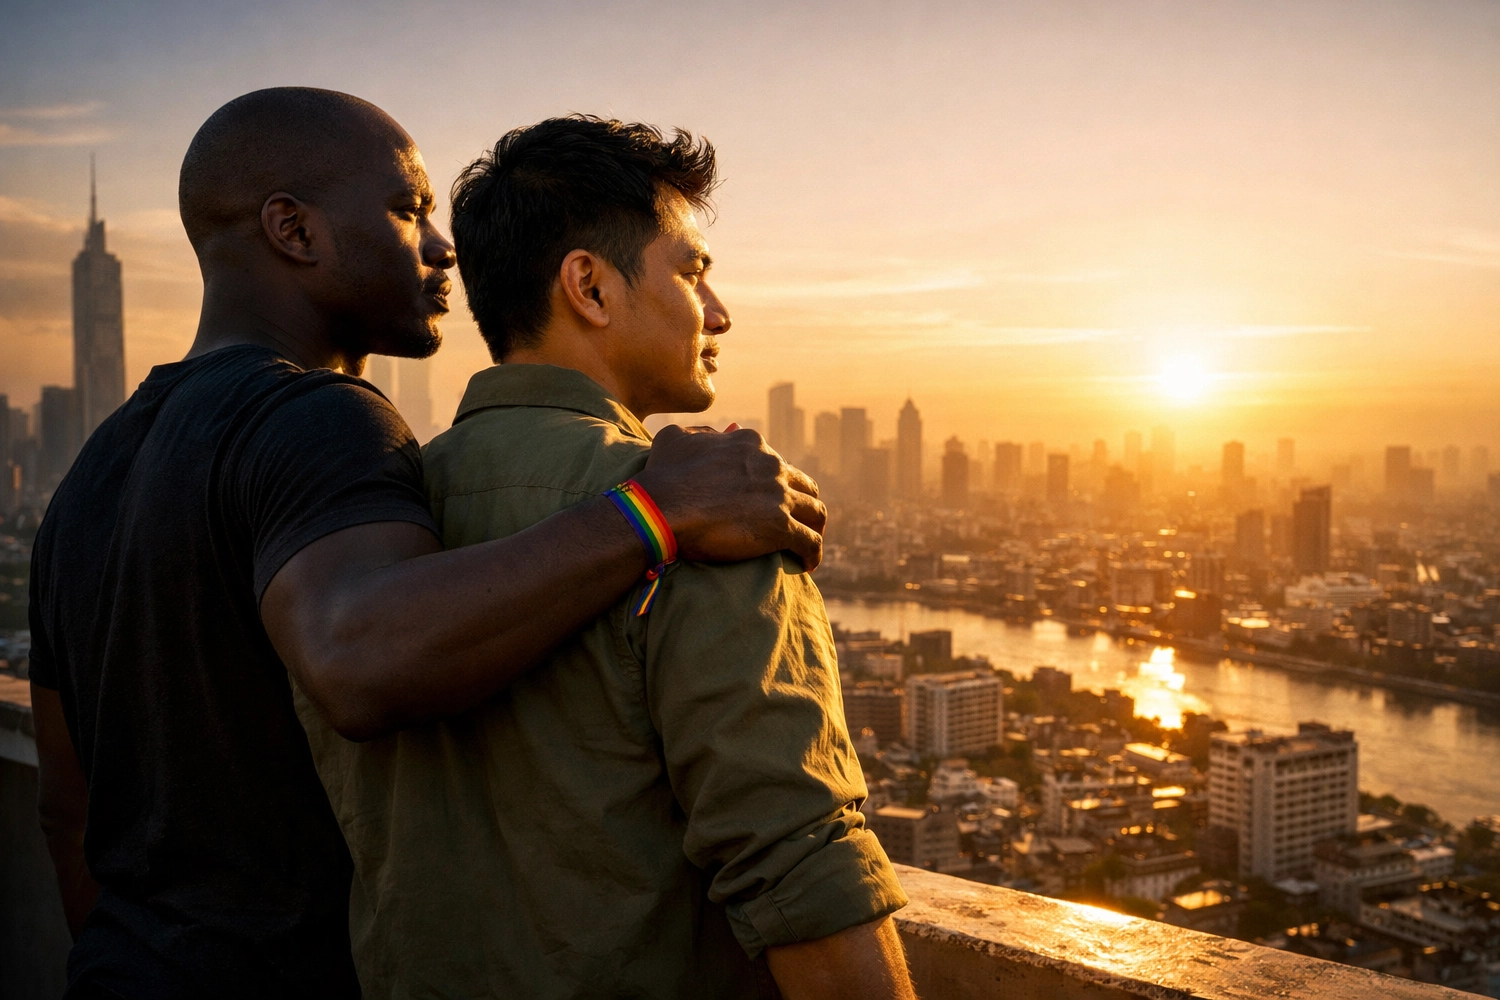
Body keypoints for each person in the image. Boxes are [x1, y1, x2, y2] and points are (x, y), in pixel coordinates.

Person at [28, 88, 827, 1000]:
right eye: (409, 211)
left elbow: (66, 808)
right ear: (293, 230)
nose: (443, 246)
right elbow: (358, 655)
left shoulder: (91, 476)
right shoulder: (314, 417)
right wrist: (651, 512)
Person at [296, 116, 916, 1000]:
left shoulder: (355, 541)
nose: (720, 311)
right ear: (588, 286)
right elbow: (802, 870)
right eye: (694, 272)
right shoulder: (710, 510)